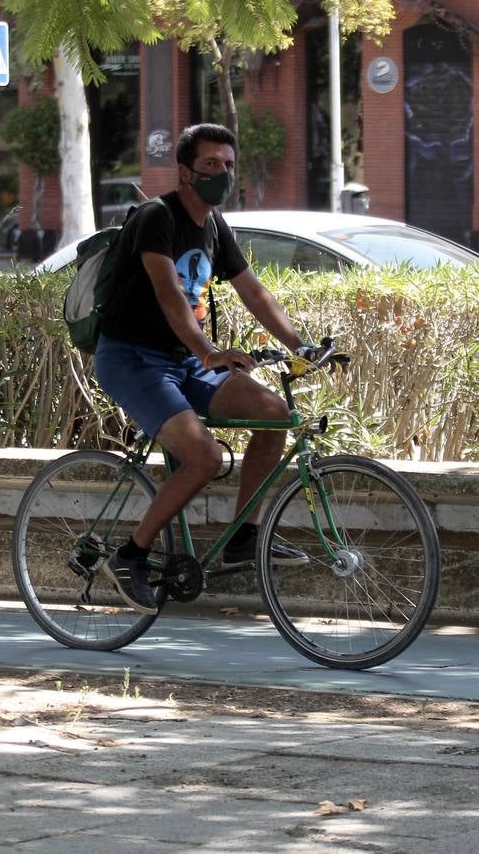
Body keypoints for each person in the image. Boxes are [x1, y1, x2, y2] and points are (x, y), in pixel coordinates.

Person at [82, 123, 312, 616]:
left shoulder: (214, 226)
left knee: (274, 415)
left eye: (229, 166)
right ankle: (131, 555)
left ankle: (245, 537)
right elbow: (169, 294)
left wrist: (303, 346)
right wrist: (210, 352)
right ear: (185, 171)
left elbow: (255, 293)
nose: (222, 174)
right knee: (204, 458)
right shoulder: (155, 217)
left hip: (183, 360)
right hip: (132, 358)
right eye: (211, 165)